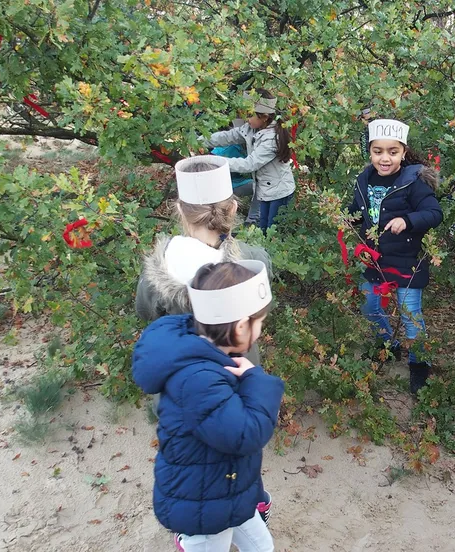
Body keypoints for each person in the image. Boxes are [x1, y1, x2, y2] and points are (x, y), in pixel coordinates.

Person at [134, 155, 273, 524]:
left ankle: (200, 522)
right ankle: (250, 504)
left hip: (182, 388)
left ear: (179, 208)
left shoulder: (158, 270)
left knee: (191, 454)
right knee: (237, 449)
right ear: (232, 206)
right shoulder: (251, 262)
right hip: (238, 377)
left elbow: (144, 311)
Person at [132, 260, 284, 552]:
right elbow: (244, 434)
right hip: (202, 503)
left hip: (227, 488)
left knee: (261, 547)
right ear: (240, 328)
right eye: (260, 322)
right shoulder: (198, 379)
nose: (261, 330)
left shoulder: (207, 354)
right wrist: (257, 382)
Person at [348, 118, 443, 394]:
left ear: (403, 152)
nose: (385, 158)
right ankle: (387, 344)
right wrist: (349, 218)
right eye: (378, 151)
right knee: (369, 306)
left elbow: (434, 213)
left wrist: (408, 220)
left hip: (406, 263)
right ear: (370, 152)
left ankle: (419, 363)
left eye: (392, 151)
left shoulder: (413, 181)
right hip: (374, 259)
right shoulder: (364, 179)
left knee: (411, 315)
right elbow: (358, 209)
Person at [203, 90, 295, 232]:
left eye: (251, 115)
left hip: (279, 193)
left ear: (264, 117)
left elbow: (249, 164)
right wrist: (200, 141)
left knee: (273, 232)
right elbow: (227, 136)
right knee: (263, 229)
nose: (246, 118)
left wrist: (216, 161)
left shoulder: (271, 139)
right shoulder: (251, 128)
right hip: (264, 189)